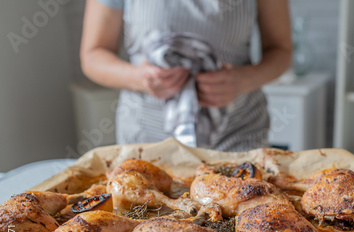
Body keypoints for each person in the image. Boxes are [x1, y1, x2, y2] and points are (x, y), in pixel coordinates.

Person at [80, 0, 292, 151]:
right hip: (146, 139)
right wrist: (141, 78)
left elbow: (281, 50)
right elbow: (93, 55)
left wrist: (243, 80)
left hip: (237, 135)